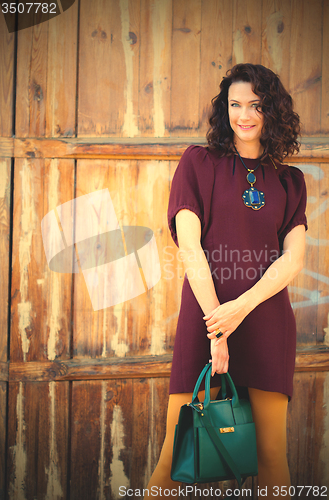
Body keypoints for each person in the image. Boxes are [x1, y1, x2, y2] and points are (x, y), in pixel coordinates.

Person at [144, 63, 307, 499]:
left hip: (267, 322)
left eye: (256, 105)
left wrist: (240, 308)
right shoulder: (198, 163)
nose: (245, 115)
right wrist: (218, 324)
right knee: (172, 459)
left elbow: (293, 260)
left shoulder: (291, 181)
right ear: (225, 109)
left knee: (273, 459)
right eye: (236, 105)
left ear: (272, 111)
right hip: (205, 319)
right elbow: (191, 247)